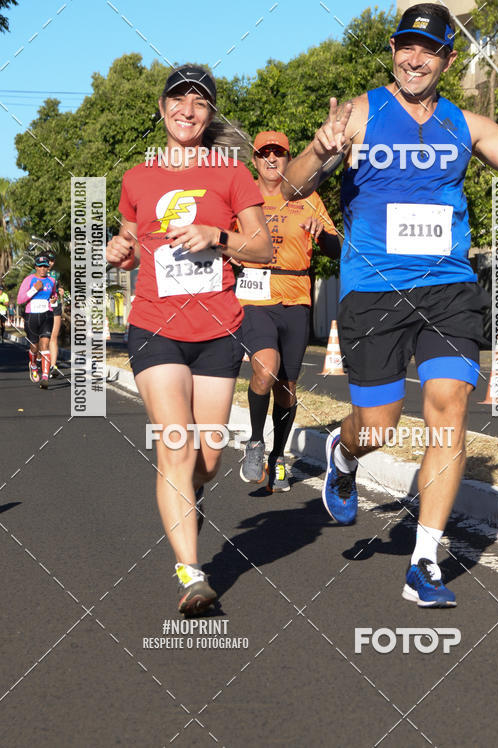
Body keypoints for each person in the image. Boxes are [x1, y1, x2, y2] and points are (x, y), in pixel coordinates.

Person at [282, 3, 498, 607]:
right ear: (392, 50)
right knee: (378, 426)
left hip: (448, 287)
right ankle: (343, 454)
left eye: (429, 50)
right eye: (407, 46)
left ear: (447, 61)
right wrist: (320, 148)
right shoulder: (359, 114)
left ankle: (425, 561)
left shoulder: (466, 124)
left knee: (448, 409)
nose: (416, 59)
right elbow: (293, 185)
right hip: (373, 290)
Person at [106, 64, 272, 616]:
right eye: (178, 99)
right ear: (162, 109)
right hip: (155, 326)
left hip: (219, 329)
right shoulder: (137, 178)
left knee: (208, 458)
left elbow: (262, 247)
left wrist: (216, 236)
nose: (187, 109)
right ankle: (192, 574)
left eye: (200, 102)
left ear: (210, 114)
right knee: (175, 444)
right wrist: (118, 249)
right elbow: (131, 240)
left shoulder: (233, 174)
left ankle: (190, 494)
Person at [237, 131, 340, 492]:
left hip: (297, 299)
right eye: (264, 153)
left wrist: (321, 233)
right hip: (255, 297)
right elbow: (224, 240)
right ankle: (255, 442)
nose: (271, 159)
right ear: (254, 160)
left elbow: (335, 249)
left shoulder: (306, 195)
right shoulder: (243, 195)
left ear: (289, 159)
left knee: (287, 387)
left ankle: (278, 456)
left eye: (278, 153)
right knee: (265, 369)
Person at [16, 255, 57, 387]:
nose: (43, 269)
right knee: (34, 347)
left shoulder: (52, 280)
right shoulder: (29, 279)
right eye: (40, 266)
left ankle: (45, 377)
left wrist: (54, 299)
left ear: (48, 267)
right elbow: (20, 300)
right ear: (36, 267)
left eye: (45, 266)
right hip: (31, 316)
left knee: (45, 345)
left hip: (47, 315)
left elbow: (53, 294)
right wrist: (34, 289)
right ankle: (33, 365)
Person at [46, 251, 65, 376]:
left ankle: (53, 366)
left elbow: (59, 288)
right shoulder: (34, 273)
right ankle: (39, 362)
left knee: (53, 336)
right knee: (43, 338)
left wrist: (61, 291)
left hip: (55, 306)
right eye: (48, 260)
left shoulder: (56, 274)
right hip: (41, 307)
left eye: (52, 261)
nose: (50, 263)